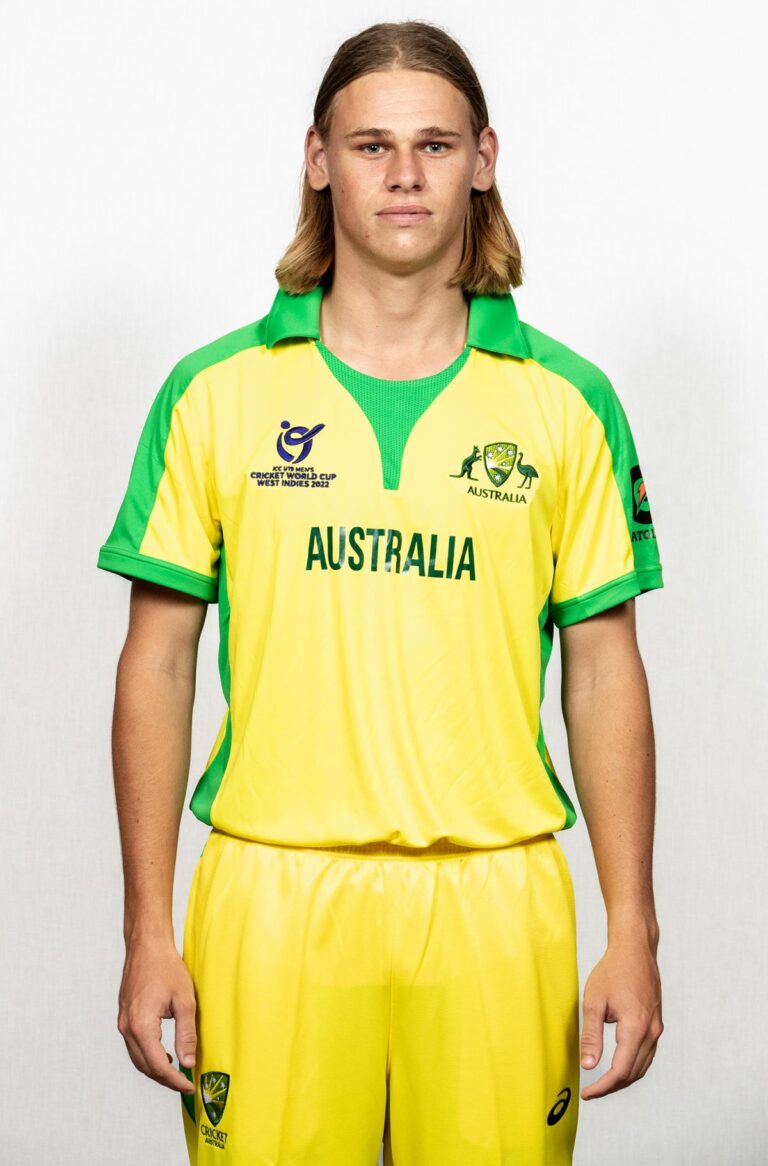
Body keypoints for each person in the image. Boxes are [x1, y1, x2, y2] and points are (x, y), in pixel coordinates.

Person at [97, 19, 665, 1166]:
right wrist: (147, 928)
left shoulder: (568, 402)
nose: (405, 174)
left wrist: (634, 928)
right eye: (371, 146)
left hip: (496, 896)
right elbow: (156, 664)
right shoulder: (215, 393)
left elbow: (604, 669)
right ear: (319, 160)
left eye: (435, 145)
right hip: (273, 892)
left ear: (483, 159)